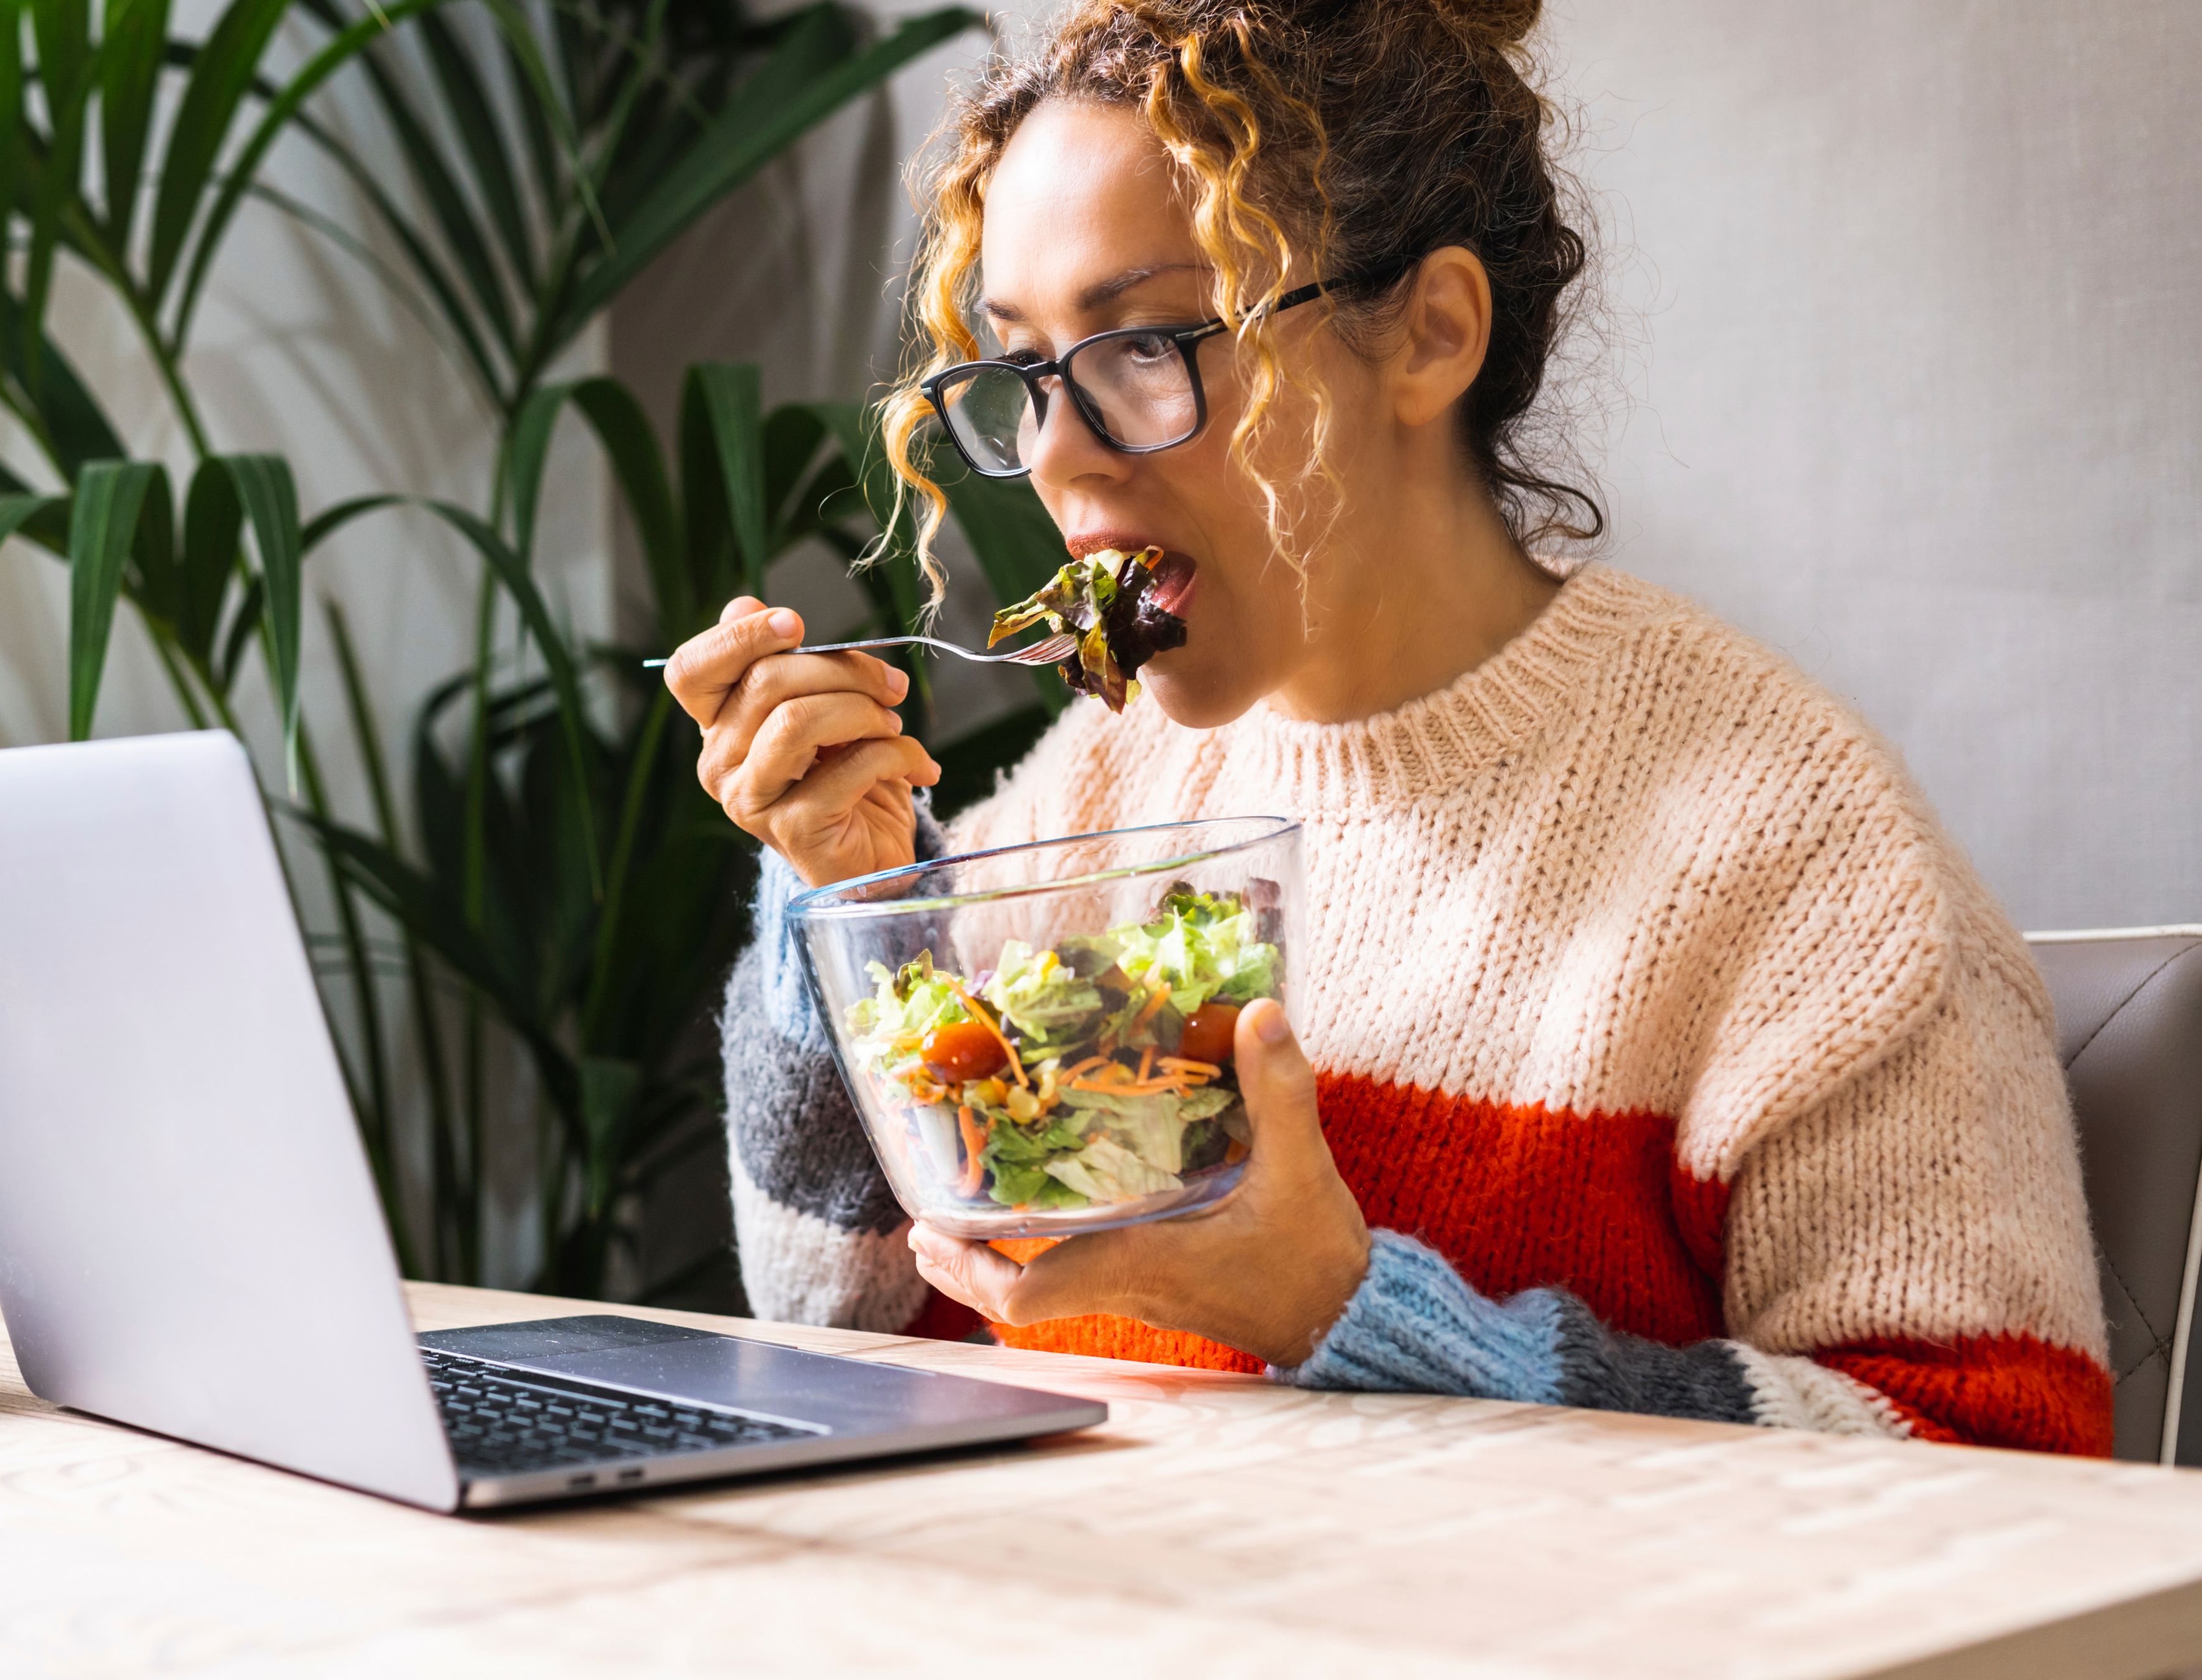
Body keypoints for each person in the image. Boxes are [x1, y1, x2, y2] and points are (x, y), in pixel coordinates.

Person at [663, 0, 2111, 1453]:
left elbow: (2010, 1471)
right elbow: (843, 1330)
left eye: (1147, 347)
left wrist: (1342, 1306)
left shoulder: (1789, 845)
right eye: (1029, 370)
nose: (1051, 451)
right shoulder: (1093, 792)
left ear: (1430, 335)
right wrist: (853, 893)